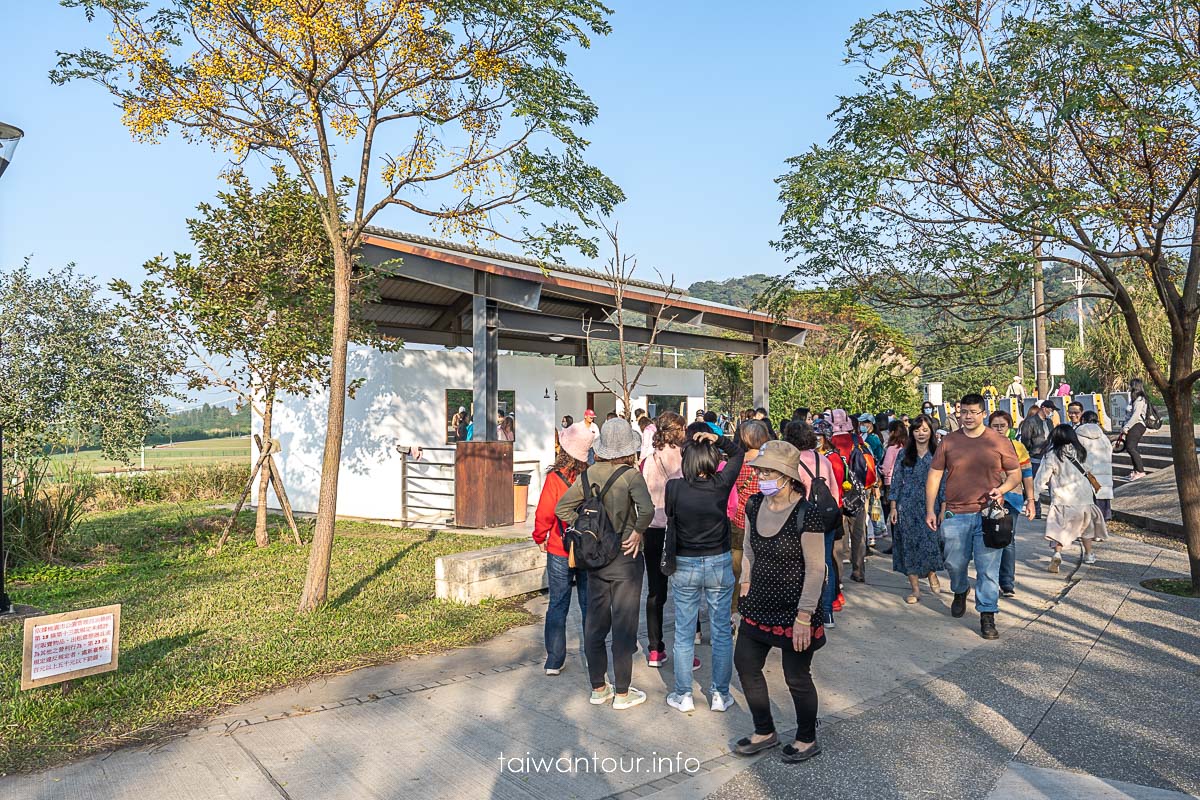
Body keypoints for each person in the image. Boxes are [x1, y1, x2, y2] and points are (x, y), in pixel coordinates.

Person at [732, 440, 828, 763]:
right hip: (757, 604)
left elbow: (817, 568)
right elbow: (748, 549)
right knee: (745, 663)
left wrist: (804, 615)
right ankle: (765, 730)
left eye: (769, 472)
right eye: (760, 471)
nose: (762, 478)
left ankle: (806, 737)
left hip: (795, 611)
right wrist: (745, 579)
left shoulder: (807, 513)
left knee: (796, 677)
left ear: (787, 476)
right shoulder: (754, 505)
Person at [556, 419, 654, 710]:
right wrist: (636, 531)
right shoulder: (632, 476)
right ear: (627, 449)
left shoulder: (586, 475)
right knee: (624, 627)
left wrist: (586, 528)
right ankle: (623, 693)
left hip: (595, 559)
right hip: (626, 556)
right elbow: (647, 510)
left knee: (595, 624)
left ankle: (598, 687)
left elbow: (562, 508)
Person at [925, 393, 1022, 640]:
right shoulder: (949, 441)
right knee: (954, 563)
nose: (968, 417)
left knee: (987, 568)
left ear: (983, 414)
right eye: (964, 412)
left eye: (973, 412)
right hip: (955, 513)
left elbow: (1015, 474)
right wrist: (930, 509)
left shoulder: (998, 441)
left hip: (988, 514)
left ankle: (987, 614)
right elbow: (935, 475)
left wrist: (1002, 489)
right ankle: (959, 589)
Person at [664, 429, 745, 714]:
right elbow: (738, 452)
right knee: (721, 631)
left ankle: (684, 693)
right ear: (712, 458)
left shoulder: (674, 488)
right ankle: (720, 694)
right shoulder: (721, 485)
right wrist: (718, 440)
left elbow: (670, 515)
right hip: (717, 562)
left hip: (685, 562)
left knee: (684, 632)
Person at [532, 425, 591, 675]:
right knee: (589, 604)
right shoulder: (592, 476)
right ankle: (593, 656)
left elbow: (545, 512)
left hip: (560, 546)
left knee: (558, 603)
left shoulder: (555, 478)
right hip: (589, 547)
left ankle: (555, 660)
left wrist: (540, 536)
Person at [639, 411, 688, 669]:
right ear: (677, 430)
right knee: (684, 593)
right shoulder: (684, 458)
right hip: (680, 530)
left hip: (652, 530)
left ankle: (655, 649)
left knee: (656, 592)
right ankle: (686, 649)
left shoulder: (647, 461)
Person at [785, 420, 843, 627]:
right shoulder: (823, 459)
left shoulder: (791, 461)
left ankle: (802, 611)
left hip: (800, 521)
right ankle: (826, 612)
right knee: (824, 563)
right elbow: (834, 491)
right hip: (825, 518)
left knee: (799, 565)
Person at [1036, 424, 1108, 571]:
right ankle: (1088, 555)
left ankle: (1057, 553)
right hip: (1084, 498)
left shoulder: (1052, 455)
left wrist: (1035, 494)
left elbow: (1042, 477)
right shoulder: (1082, 452)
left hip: (1062, 499)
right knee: (1086, 529)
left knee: (1059, 530)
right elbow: (1090, 469)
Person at [889, 414, 945, 603]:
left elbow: (944, 482)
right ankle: (915, 589)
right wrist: (894, 506)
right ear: (911, 432)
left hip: (931, 505)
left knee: (931, 543)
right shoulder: (903, 454)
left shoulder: (938, 454)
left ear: (931, 432)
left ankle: (931, 573)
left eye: (925, 430)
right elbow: (896, 481)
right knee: (909, 546)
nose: (920, 433)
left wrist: (944, 507)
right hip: (907, 505)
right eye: (917, 430)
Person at [988, 410, 1038, 598]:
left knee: (1007, 539)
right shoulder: (982, 446)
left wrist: (1031, 500)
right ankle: (990, 579)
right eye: (995, 426)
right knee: (987, 539)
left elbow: (1027, 475)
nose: (999, 429)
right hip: (987, 499)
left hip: (1012, 499)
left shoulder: (1018, 447)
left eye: (1003, 426)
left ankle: (1007, 582)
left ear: (1009, 427)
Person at [729, 420, 772, 621]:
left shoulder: (737, 462)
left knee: (737, 570)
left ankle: (735, 610)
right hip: (767, 521)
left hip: (739, 520)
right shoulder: (771, 463)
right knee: (765, 568)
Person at [830, 409, 876, 584]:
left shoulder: (829, 443)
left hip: (837, 496)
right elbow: (870, 466)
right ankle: (858, 571)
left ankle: (838, 575)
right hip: (857, 494)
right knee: (858, 533)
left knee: (838, 538)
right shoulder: (858, 440)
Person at [812, 418, 847, 617]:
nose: (816, 440)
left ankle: (829, 604)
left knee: (827, 560)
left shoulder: (831, 459)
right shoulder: (819, 457)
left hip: (829, 513)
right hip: (825, 512)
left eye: (819, 436)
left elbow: (836, 488)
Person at [1078, 412, 1115, 520]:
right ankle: (1101, 531)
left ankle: (1091, 531)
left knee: (1089, 506)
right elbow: (1109, 453)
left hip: (1088, 475)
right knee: (1102, 506)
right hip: (1105, 476)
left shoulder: (1079, 436)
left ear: (1083, 420)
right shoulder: (1103, 438)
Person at [1118, 378, 1151, 480]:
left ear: (1135, 386)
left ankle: (1140, 471)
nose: (1128, 387)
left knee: (1130, 447)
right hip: (1133, 425)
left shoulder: (1140, 399)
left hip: (1137, 425)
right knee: (1132, 448)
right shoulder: (1134, 398)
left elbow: (1136, 416)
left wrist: (1127, 427)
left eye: (1130, 385)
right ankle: (1135, 471)